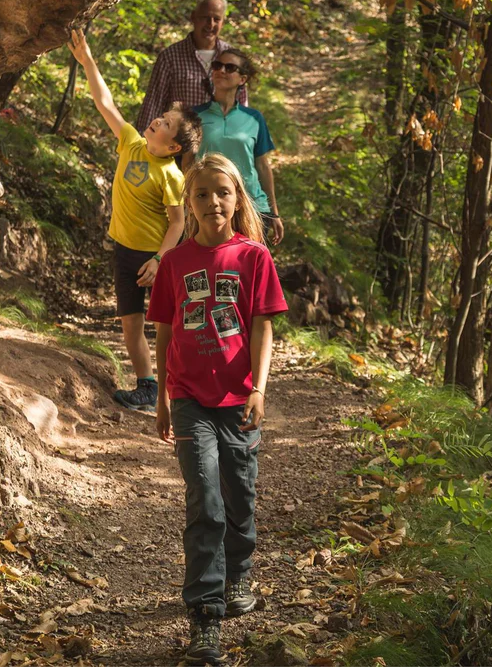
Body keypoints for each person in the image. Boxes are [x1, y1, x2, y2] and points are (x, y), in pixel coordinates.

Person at [147, 154, 287, 664]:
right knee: (205, 497)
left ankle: (237, 576)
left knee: (239, 493)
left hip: (239, 397)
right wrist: (161, 394)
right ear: (190, 201)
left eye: (222, 193)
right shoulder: (175, 263)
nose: (213, 203)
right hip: (188, 397)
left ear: (236, 197)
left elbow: (262, 325)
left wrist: (259, 389)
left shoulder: (253, 257)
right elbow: (163, 330)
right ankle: (205, 617)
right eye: (202, 194)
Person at [68, 29, 201, 411]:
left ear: (173, 147)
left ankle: (180, 391)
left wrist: (159, 261)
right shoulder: (131, 141)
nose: (156, 122)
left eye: (164, 124)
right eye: (160, 117)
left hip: (155, 259)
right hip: (125, 252)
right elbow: (104, 102)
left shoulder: (172, 176)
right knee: (130, 325)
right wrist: (88, 61)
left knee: (165, 328)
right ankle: (146, 386)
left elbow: (177, 223)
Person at [194, 49, 284, 246]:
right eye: (217, 66)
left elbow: (262, 166)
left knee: (249, 271)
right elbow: (186, 165)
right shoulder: (195, 116)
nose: (221, 71)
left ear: (242, 79)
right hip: (211, 206)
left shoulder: (254, 118)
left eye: (230, 67)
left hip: (252, 206)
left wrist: (274, 212)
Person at [135, 0, 247, 133]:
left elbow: (241, 104)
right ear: (193, 17)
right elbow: (153, 104)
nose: (210, 24)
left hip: (219, 144)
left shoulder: (232, 60)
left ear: (223, 22)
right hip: (178, 144)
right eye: (205, 17)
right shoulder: (170, 57)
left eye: (216, 19)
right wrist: (142, 145)